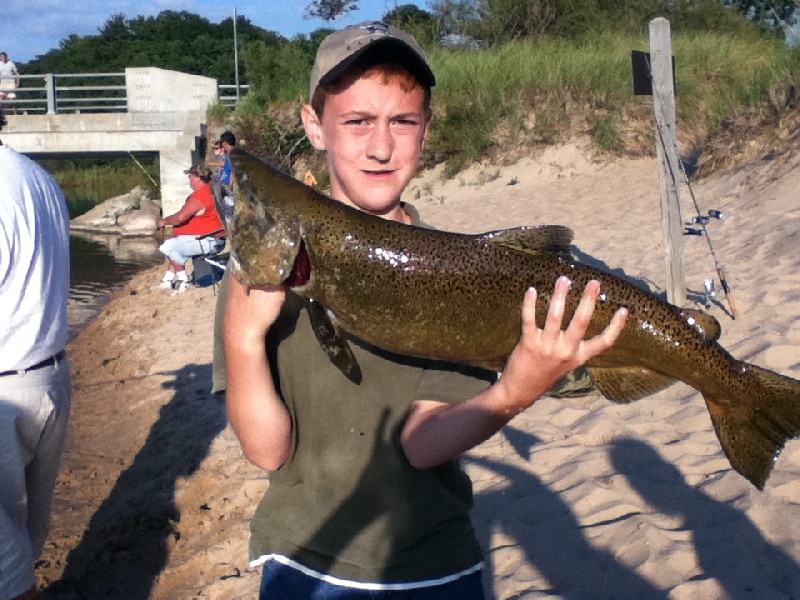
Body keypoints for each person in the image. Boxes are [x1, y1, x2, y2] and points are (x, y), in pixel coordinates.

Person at [222, 22, 628, 598]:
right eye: (357, 121)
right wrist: (242, 337)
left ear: (426, 128)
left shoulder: (453, 275)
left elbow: (420, 442)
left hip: (434, 567)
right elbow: (266, 450)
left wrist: (514, 391)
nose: (381, 146)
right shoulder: (263, 265)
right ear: (315, 126)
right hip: (299, 560)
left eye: (403, 121)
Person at [0, 108, 72, 600]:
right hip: (49, 378)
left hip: (4, 391)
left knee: (7, 564)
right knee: (26, 532)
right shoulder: (37, 178)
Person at [157, 163, 225, 293]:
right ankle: (168, 279)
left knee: (169, 246)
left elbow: (180, 218)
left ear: (197, 178)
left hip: (208, 241)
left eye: (190, 176)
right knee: (176, 247)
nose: (189, 179)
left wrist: (164, 221)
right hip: (213, 239)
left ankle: (183, 281)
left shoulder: (200, 196)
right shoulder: (212, 191)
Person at [207, 130, 236, 223]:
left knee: (226, 208)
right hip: (224, 185)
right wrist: (212, 163)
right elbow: (225, 164)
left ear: (226, 143)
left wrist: (231, 186)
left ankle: (227, 223)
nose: (222, 145)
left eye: (222, 143)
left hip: (227, 187)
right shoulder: (229, 154)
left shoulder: (233, 154)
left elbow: (233, 171)